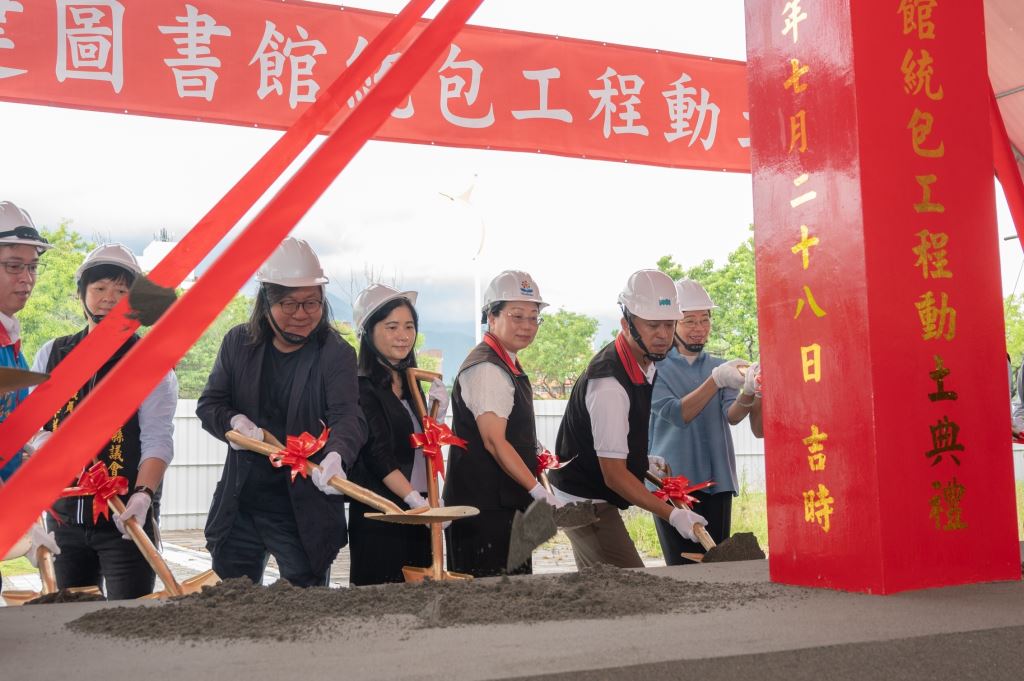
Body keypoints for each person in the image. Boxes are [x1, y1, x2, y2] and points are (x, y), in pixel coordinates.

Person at [197, 237, 365, 588]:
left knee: (303, 610)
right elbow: (210, 403)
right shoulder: (238, 343)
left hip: (303, 509)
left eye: (312, 303)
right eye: (289, 304)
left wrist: (337, 455)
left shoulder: (335, 353)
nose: (302, 314)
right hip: (241, 503)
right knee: (233, 601)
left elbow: (348, 416)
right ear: (266, 301)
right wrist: (233, 422)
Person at [30, 243, 178, 599]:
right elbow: (33, 423)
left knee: (129, 619)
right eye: (99, 289)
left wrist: (143, 497)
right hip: (64, 519)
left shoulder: (150, 362)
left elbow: (158, 439)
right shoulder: (52, 354)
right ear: (83, 294)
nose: (109, 299)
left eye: (121, 291)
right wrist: (39, 441)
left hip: (125, 520)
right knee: (70, 617)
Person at [548, 269, 707, 569]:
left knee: (603, 589)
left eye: (669, 324)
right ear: (626, 324)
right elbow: (614, 475)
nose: (663, 335)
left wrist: (638, 459)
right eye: (652, 325)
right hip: (583, 501)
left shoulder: (644, 361)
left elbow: (612, 438)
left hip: (590, 487)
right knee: (630, 585)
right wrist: (673, 515)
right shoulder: (608, 383)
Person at [313, 283, 447, 585]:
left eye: (409, 326)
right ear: (368, 332)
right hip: (383, 515)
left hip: (417, 512)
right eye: (392, 327)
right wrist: (415, 502)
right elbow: (378, 454)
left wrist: (438, 412)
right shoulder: (361, 387)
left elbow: (419, 444)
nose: (403, 336)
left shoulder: (411, 384)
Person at [443, 270, 554, 577]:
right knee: (490, 607)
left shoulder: (506, 361)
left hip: (504, 509)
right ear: (491, 318)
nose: (527, 326)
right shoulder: (488, 368)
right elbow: (494, 441)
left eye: (534, 317)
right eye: (517, 316)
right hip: (484, 515)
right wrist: (537, 490)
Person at [647, 279, 762, 565]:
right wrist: (716, 380)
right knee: (683, 565)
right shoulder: (653, 368)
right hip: (673, 485)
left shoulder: (719, 365)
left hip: (718, 480)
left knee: (718, 563)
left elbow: (732, 416)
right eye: (689, 321)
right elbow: (677, 413)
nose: (699, 328)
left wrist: (748, 391)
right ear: (674, 323)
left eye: (705, 319)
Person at [0, 201, 51, 481]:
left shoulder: (13, 347)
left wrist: (33, 441)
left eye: (32, 267)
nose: (27, 278)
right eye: (14, 266)